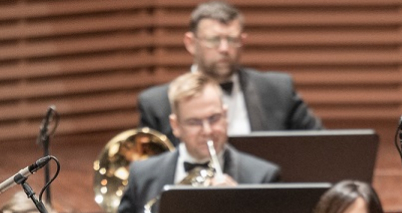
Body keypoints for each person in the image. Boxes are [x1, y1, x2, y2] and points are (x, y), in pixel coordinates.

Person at [115, 72, 281, 213]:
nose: (208, 130)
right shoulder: (142, 175)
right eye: (195, 122)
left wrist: (237, 210)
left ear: (225, 115)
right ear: (176, 126)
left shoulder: (262, 177)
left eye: (214, 118)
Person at [137, 2, 321, 141]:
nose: (224, 48)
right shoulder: (157, 104)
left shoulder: (278, 90)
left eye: (232, 40)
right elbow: (151, 173)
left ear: (243, 41)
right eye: (214, 40)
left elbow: (321, 145)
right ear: (190, 43)